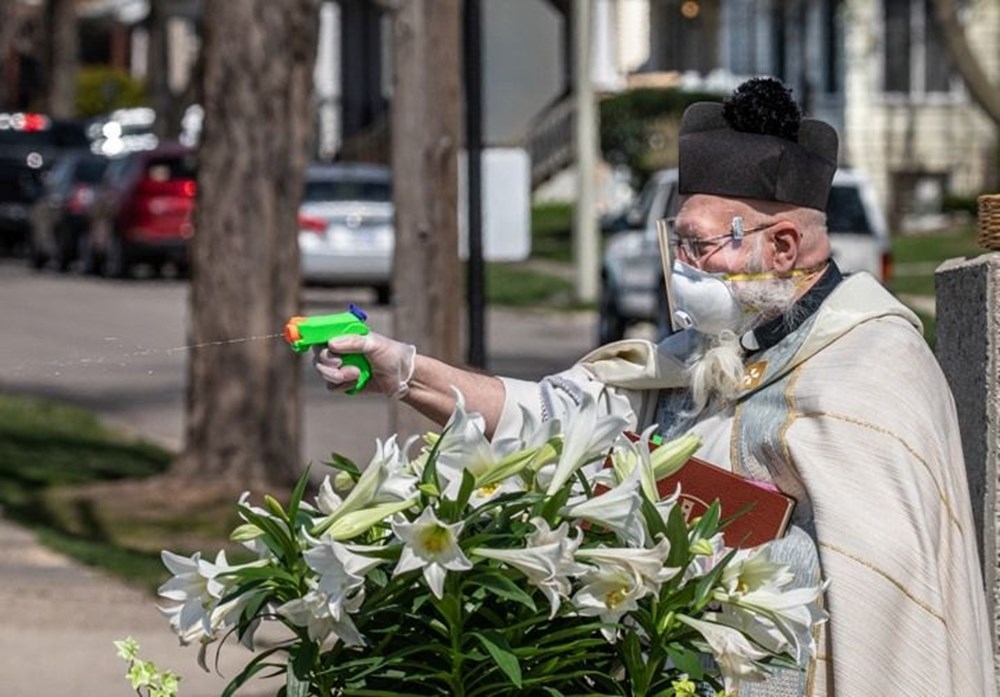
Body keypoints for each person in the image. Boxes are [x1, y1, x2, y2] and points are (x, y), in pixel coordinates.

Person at [313, 77, 996, 695]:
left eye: (700, 245)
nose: (684, 266)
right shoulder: (699, 353)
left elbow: (883, 605)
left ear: (783, 247)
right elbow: (558, 420)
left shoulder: (873, 368)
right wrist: (406, 372)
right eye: (680, 242)